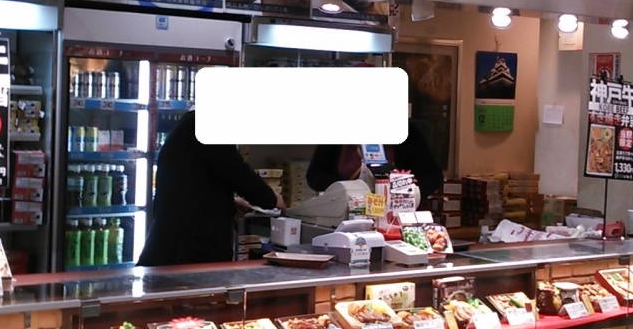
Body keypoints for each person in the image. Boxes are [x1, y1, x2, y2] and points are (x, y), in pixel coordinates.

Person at [138, 111, 284, 266]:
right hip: (185, 252)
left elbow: (194, 181)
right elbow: (237, 172)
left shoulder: (193, 122)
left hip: (176, 246)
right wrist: (272, 199)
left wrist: (230, 201)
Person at [306, 121, 444, 202]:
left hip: (395, 219)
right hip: (343, 215)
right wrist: (345, 188)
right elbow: (314, 175)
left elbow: (433, 176)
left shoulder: (407, 131)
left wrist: (408, 192)